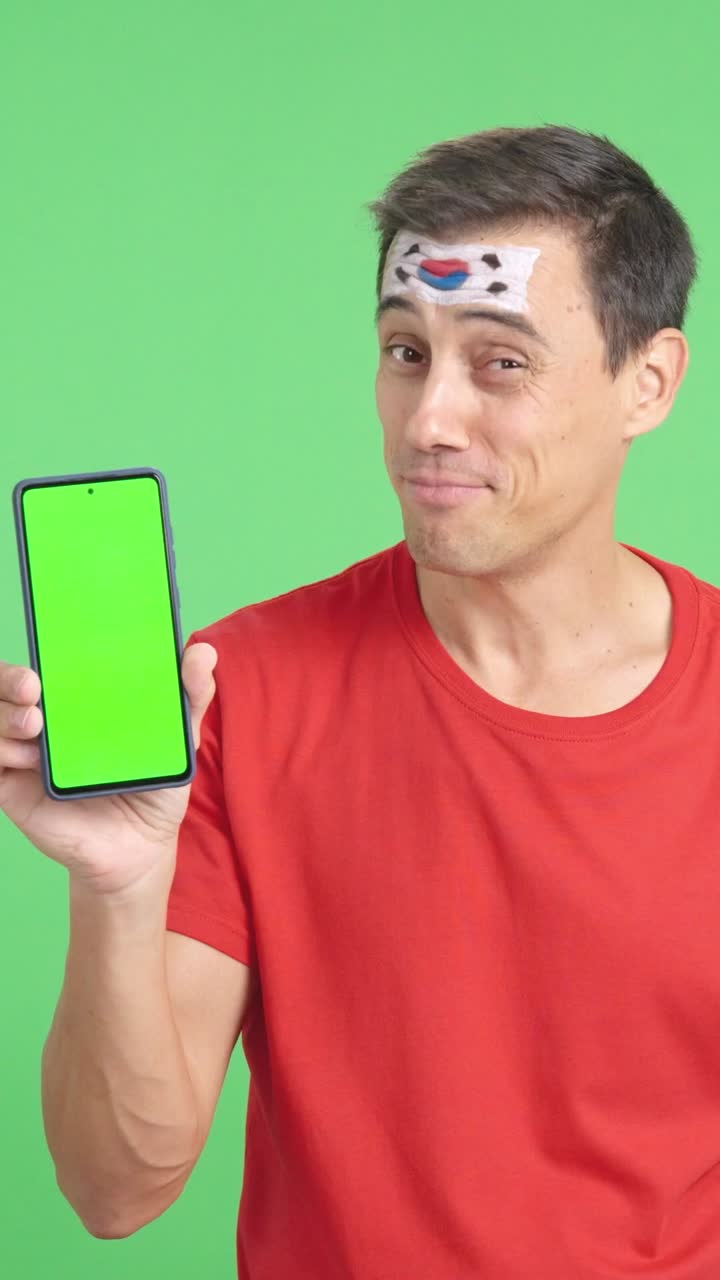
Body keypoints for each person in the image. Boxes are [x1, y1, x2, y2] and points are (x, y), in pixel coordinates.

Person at [3, 122, 712, 1276]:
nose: (428, 418)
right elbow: (116, 1187)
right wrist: (120, 884)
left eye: (501, 361)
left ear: (649, 381)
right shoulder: (241, 693)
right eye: (403, 350)